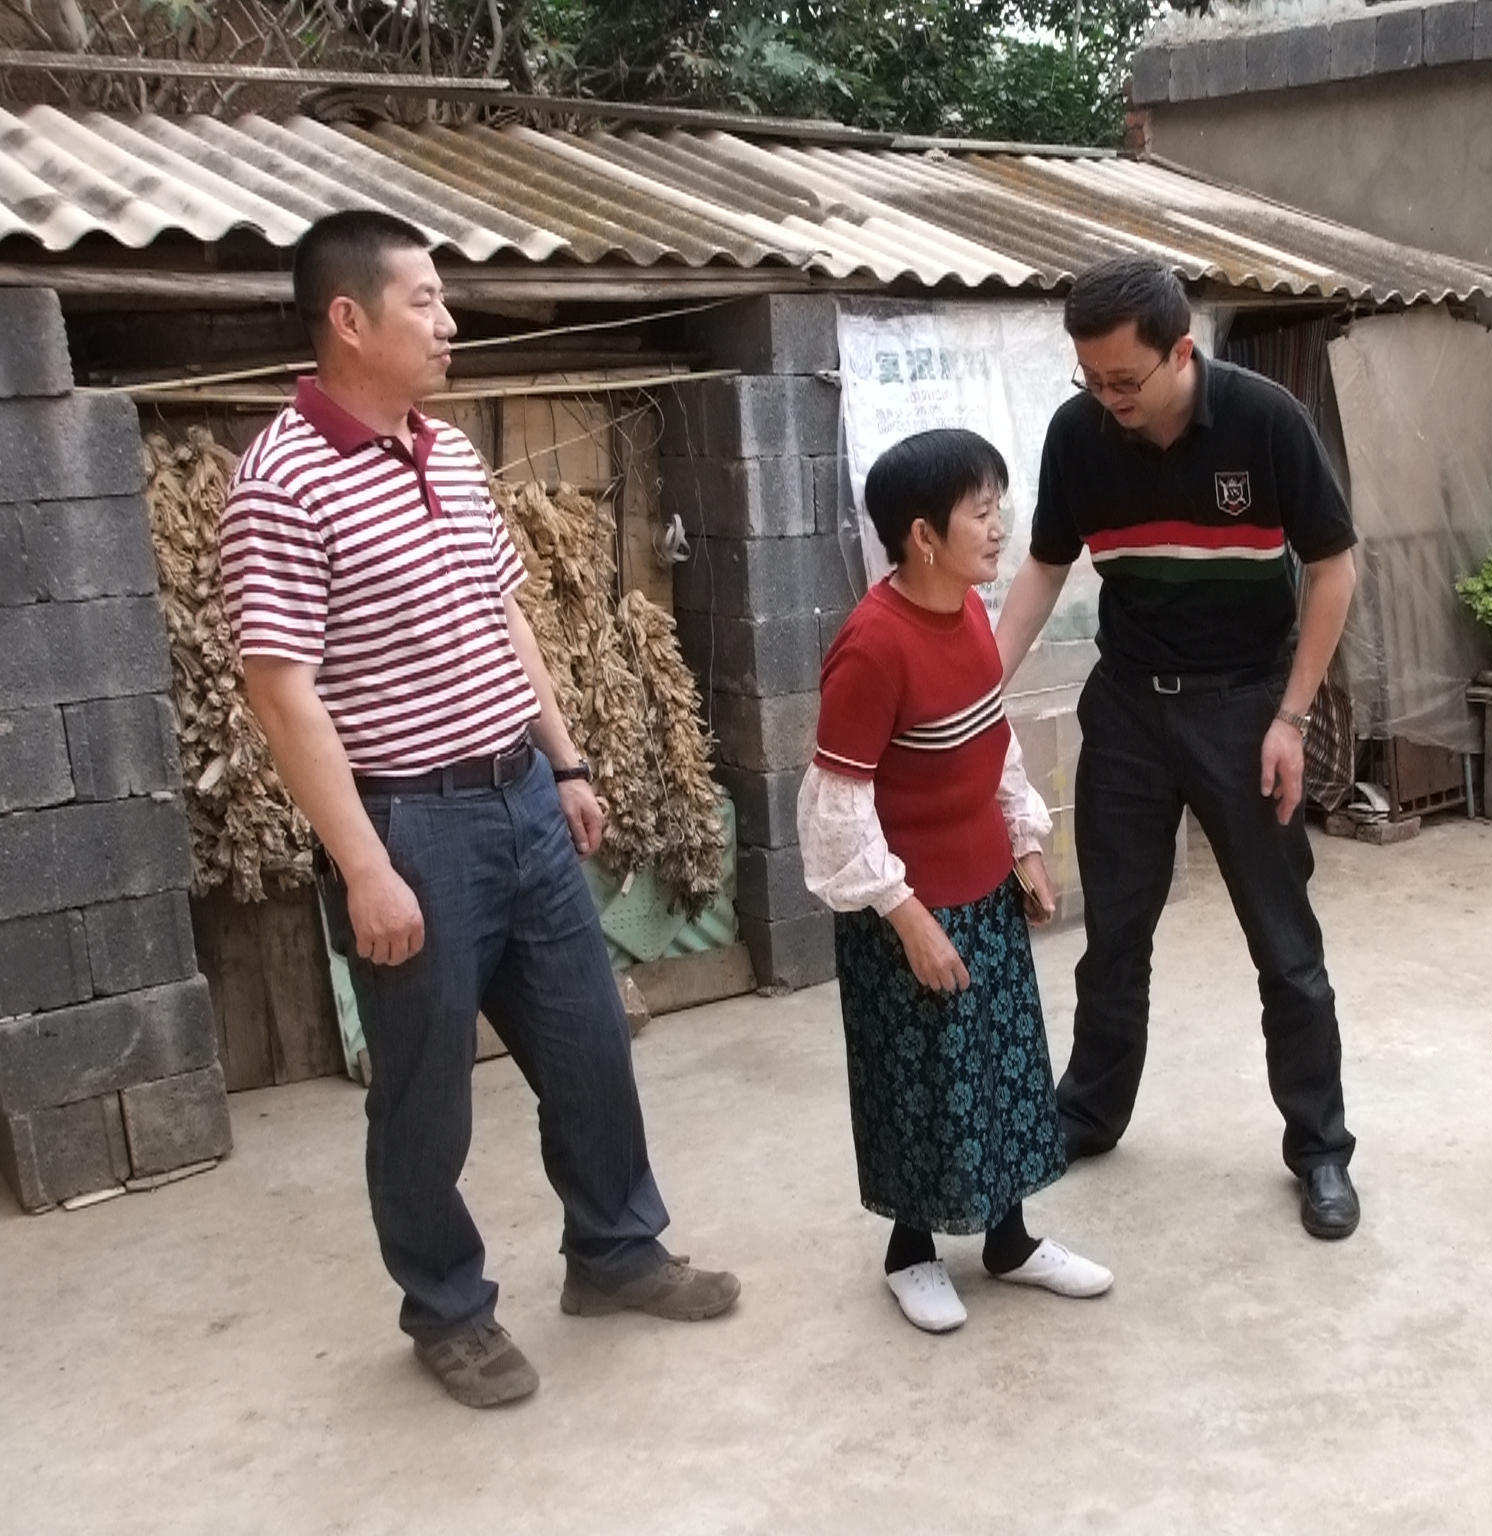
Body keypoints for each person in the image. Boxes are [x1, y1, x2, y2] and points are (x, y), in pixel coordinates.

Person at [222, 210, 738, 1409]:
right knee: (424, 1092)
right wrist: (365, 865)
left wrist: (565, 764)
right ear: (349, 320)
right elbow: (281, 690)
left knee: (589, 1044)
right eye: (425, 301)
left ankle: (614, 1251)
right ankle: (447, 1311)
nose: (449, 323)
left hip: (519, 797)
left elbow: (507, 619)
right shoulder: (278, 482)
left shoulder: (448, 455)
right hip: (411, 825)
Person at [992, 255, 1362, 1241]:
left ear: (1180, 352)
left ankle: (1320, 1149)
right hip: (1126, 709)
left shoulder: (1265, 420)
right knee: (1113, 936)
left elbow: (1332, 566)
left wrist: (1291, 717)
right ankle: (1087, 1113)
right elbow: (1044, 566)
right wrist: (976, 688)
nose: (1106, 398)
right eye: (1089, 378)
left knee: (1283, 944)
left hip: (1244, 710)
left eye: (1124, 379)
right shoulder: (1078, 434)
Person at [799, 428, 1112, 1333]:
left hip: (984, 894)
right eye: (981, 511)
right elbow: (836, 807)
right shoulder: (872, 647)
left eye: (998, 506)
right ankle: (911, 1252)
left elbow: (989, 736)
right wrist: (909, 918)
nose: (999, 526)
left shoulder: (971, 610)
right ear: (923, 535)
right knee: (924, 1078)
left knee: (1003, 1066)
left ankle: (1009, 1241)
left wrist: (1025, 842)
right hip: (909, 908)